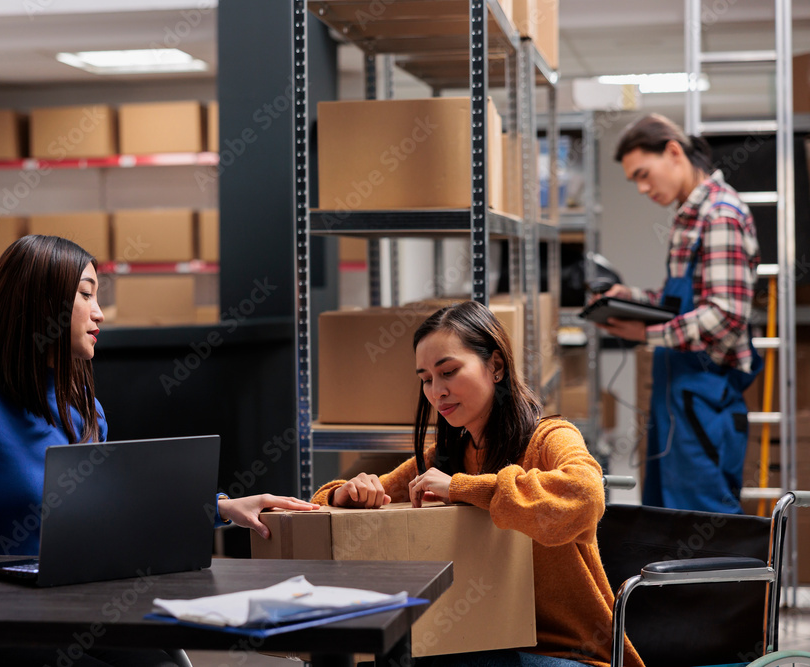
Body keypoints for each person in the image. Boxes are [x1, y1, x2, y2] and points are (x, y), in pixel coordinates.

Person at [0, 234, 316, 667]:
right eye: (85, 295)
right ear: (43, 305)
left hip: (76, 616)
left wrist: (222, 506)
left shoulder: (85, 409)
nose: (99, 313)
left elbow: (117, 515)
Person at [311, 301, 644, 667]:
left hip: (569, 655)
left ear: (496, 366)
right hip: (481, 641)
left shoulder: (550, 437)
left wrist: (463, 488)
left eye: (449, 371)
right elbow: (339, 498)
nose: (437, 392)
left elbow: (585, 496)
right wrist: (346, 493)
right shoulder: (448, 454)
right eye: (425, 379)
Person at [599, 113, 762, 514]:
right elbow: (681, 300)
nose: (641, 188)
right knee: (665, 518)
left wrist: (646, 334)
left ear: (673, 152)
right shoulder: (689, 217)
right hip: (677, 397)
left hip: (705, 397)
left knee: (704, 522)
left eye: (644, 173)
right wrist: (632, 298)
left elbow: (726, 315)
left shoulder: (720, 215)